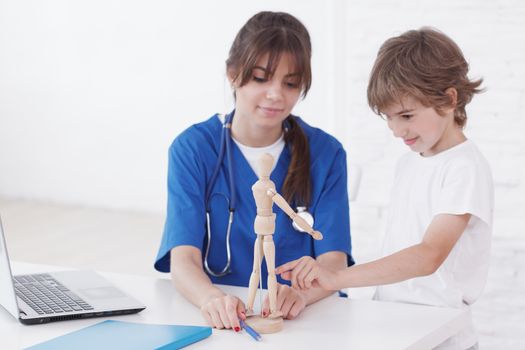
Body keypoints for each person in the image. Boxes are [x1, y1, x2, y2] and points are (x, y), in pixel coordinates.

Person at [276, 28, 493, 349]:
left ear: (449, 100)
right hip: (396, 325)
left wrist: (337, 277)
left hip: (442, 335)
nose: (396, 130)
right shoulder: (410, 162)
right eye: (388, 118)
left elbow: (429, 255)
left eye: (406, 115)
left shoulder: (464, 167)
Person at [154, 11, 353, 332]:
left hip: (307, 319)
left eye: (291, 83)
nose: (276, 94)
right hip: (230, 314)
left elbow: (333, 261)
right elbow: (184, 258)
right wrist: (211, 298)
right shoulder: (193, 148)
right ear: (233, 74)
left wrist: (303, 294)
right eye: (261, 78)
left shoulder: (325, 152)